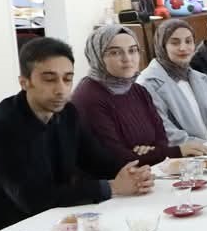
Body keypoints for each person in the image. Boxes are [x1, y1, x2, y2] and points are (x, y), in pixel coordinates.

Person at [0, 38, 152, 231]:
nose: (61, 89)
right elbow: (33, 198)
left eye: (67, 79)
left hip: (52, 219)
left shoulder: (67, 113)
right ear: (24, 82)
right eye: (49, 80)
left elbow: (97, 160)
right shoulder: (1, 128)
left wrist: (132, 173)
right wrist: (112, 187)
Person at [71, 24, 181, 165]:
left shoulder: (138, 90)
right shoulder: (88, 97)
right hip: (113, 177)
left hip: (148, 171)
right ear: (97, 56)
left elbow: (161, 138)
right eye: (115, 52)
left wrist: (153, 151)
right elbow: (117, 158)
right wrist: (175, 152)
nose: (127, 58)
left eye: (133, 50)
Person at [138, 17, 207, 150]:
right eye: (175, 43)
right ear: (162, 46)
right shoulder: (147, 83)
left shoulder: (201, 78)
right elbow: (164, 130)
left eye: (188, 41)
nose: (183, 48)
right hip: (186, 155)